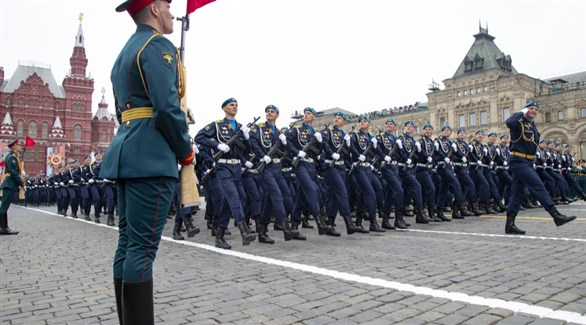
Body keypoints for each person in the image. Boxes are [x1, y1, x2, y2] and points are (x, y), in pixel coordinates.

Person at [103, 0, 196, 323]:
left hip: (128, 151)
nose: (173, 13)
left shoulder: (125, 52)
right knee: (142, 250)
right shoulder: (158, 47)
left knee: (127, 245)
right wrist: (184, 149)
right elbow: (167, 108)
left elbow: (121, 110)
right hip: (151, 155)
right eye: (168, 7)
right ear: (155, 9)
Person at [504, 101, 576, 235]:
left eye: (536, 109)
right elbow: (508, 122)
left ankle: (510, 224)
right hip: (518, 160)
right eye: (531, 108)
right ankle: (556, 215)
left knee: (517, 194)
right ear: (526, 110)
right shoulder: (518, 122)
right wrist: (521, 112)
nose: (534, 111)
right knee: (538, 186)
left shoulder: (532, 125)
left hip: (528, 161)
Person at [0, 138, 24, 235]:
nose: (20, 146)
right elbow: (13, 172)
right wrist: (21, 182)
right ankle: (3, 228)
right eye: (18, 145)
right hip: (10, 184)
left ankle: (4, 227)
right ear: (13, 146)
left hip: (9, 184)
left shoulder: (11, 156)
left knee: (4, 207)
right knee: (4, 207)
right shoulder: (12, 158)